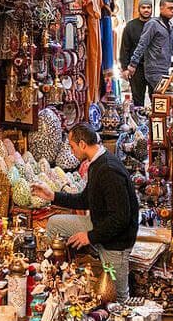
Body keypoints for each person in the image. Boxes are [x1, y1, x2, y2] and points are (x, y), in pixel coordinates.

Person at [32, 124, 139, 301]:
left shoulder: (108, 169)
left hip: (116, 241)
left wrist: (90, 236)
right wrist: (52, 196)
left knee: (117, 296)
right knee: (55, 223)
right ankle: (53, 276)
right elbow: (85, 200)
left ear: (82, 144)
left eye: (72, 146)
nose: (71, 151)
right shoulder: (96, 163)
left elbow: (121, 218)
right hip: (100, 223)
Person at [124, 0, 173, 97]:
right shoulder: (153, 24)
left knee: (159, 100)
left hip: (164, 68)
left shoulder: (169, 25)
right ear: (161, 8)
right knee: (164, 97)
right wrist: (133, 64)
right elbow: (142, 44)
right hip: (153, 69)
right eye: (170, 8)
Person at [119, 0, 154, 106]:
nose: (146, 10)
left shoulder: (156, 25)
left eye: (148, 7)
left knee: (156, 98)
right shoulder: (130, 26)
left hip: (153, 67)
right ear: (139, 9)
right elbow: (125, 49)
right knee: (138, 99)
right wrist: (125, 68)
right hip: (136, 68)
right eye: (143, 7)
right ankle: (140, 121)